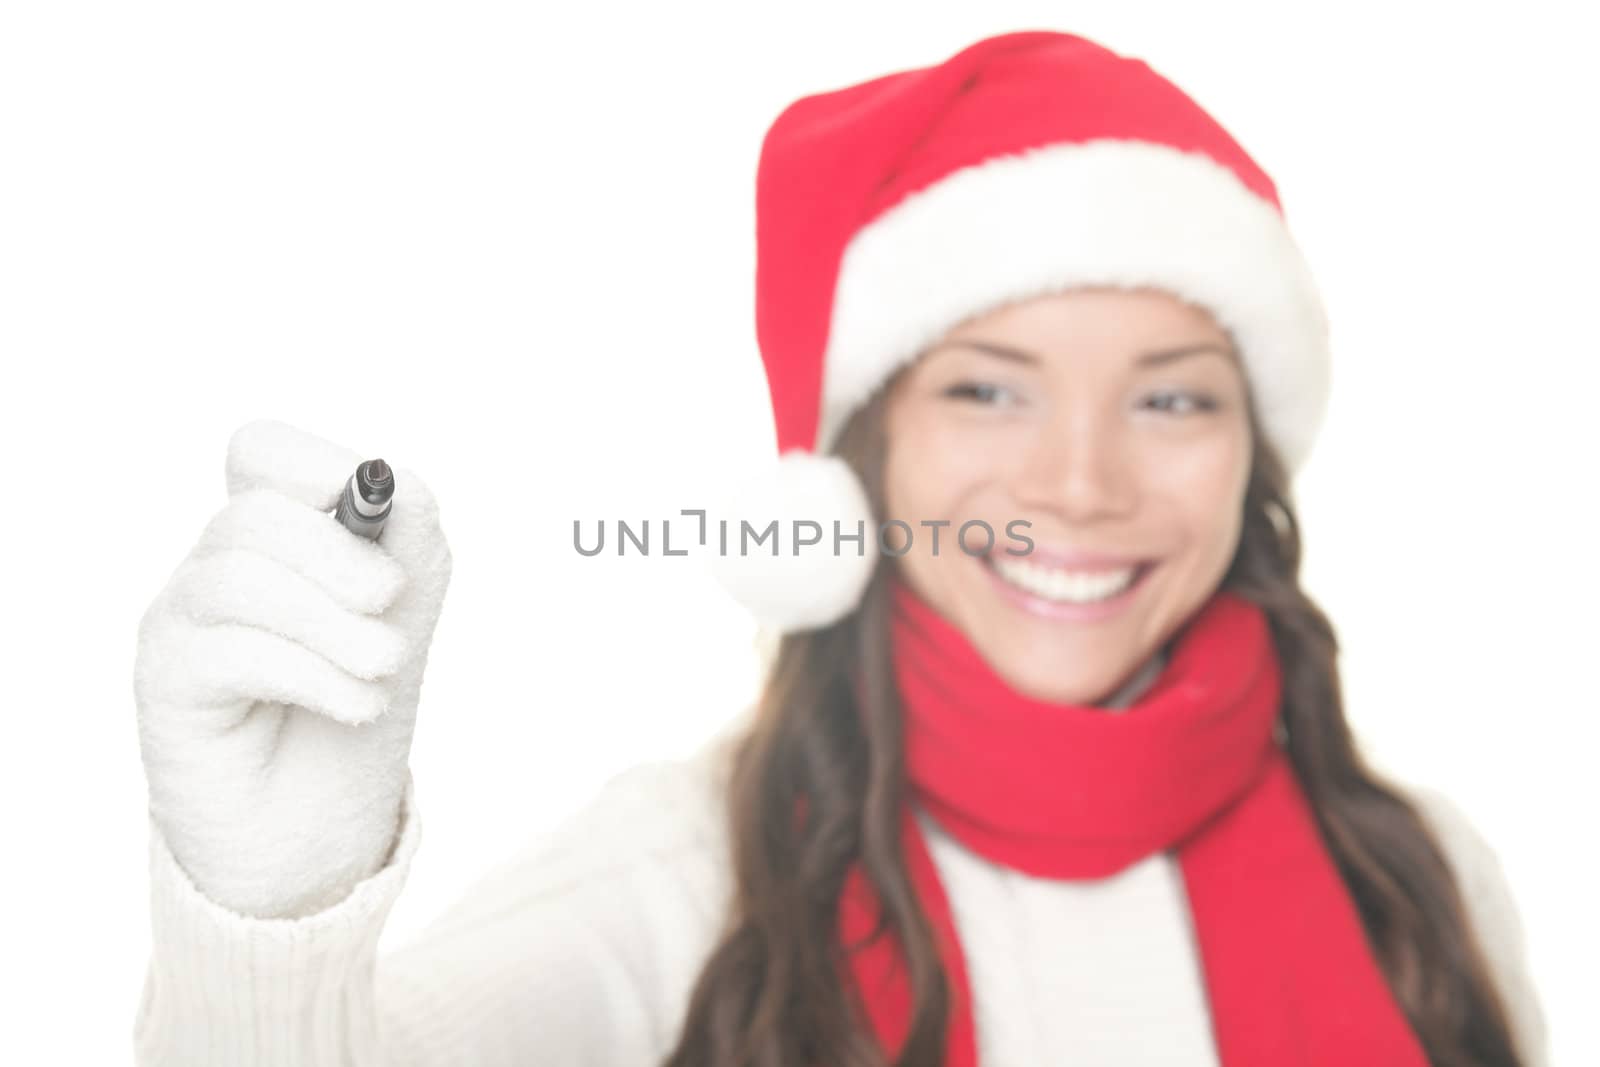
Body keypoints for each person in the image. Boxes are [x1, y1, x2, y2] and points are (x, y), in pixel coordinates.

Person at [131, 29, 1548, 1067]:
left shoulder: (1421, 879)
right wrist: (269, 928)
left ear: (1255, 451)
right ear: (856, 461)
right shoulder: (685, 876)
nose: (1079, 481)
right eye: (988, 386)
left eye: (1173, 396)